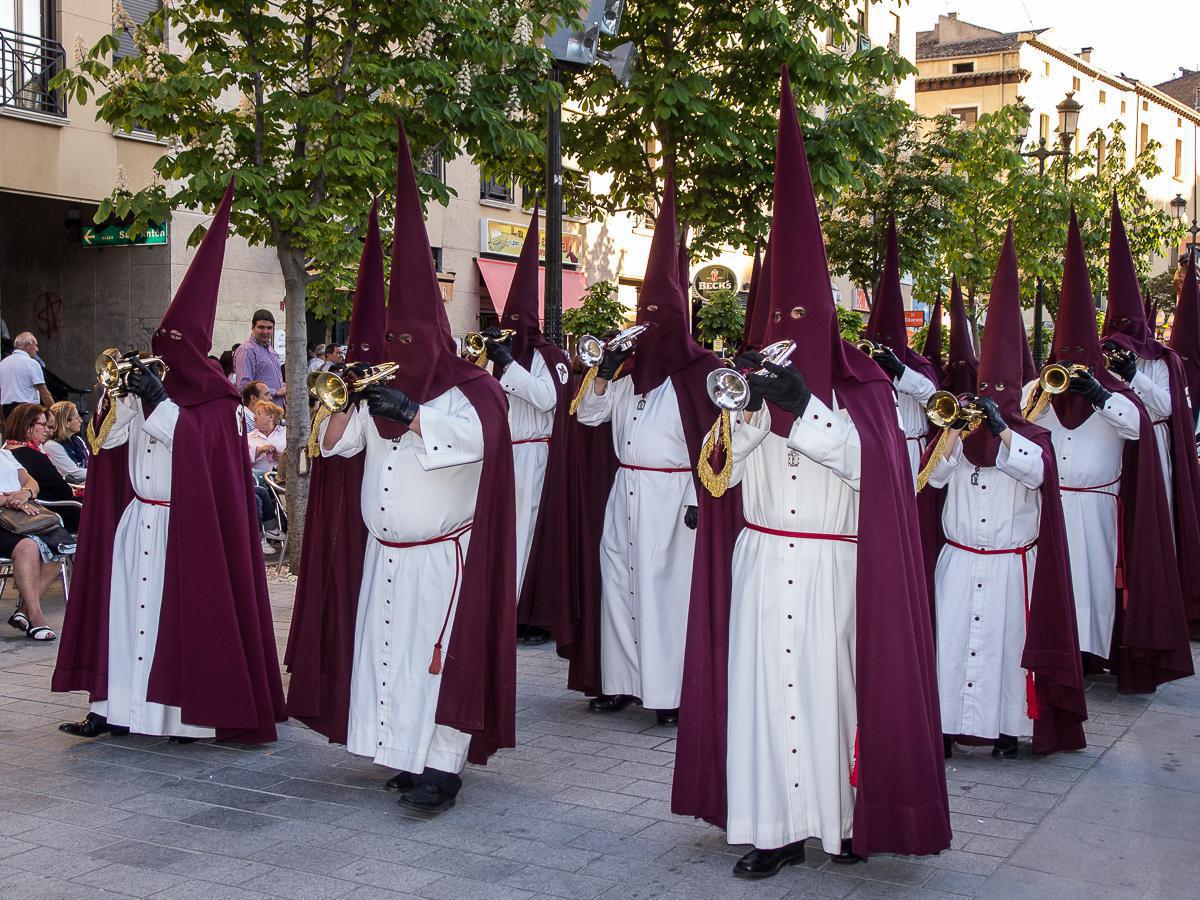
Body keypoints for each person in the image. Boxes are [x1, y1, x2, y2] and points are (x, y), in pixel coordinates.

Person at [672, 70, 951, 876]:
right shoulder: (748, 390)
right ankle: (774, 827)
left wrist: (807, 411)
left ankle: (844, 820)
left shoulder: (865, 394)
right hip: (763, 557)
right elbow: (717, 475)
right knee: (765, 696)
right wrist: (755, 409)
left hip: (835, 561)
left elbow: (882, 478)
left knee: (834, 695)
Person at [287, 127, 516, 814]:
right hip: (386, 555)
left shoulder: (469, 388)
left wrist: (413, 414)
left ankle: (441, 767)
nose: (401, 354)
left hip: (441, 558)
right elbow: (332, 447)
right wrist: (343, 391)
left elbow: (479, 440)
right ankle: (401, 752)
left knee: (434, 660)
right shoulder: (378, 389)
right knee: (388, 656)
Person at [52, 180, 286, 743]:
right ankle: (113, 707)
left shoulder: (219, 403)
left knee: (174, 621)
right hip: (139, 519)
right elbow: (106, 446)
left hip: (188, 526)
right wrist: (124, 398)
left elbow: (196, 446)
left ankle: (182, 715)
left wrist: (157, 400)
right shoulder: (148, 388)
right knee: (124, 617)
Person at [923, 227, 1086, 761]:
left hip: (1011, 564)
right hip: (961, 559)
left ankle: (1007, 729)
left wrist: (1005, 430)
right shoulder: (955, 433)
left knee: (1003, 648)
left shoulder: (1033, 437)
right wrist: (953, 438)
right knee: (951, 646)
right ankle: (944, 725)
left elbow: (1039, 475)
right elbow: (932, 484)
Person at [574, 174, 726, 727]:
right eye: (643, 315)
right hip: (627, 487)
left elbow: (713, 442)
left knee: (667, 592)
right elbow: (589, 417)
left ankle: (671, 692)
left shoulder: (701, 373)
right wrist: (602, 374)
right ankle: (622, 681)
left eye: (659, 318)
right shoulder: (625, 373)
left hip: (673, 493)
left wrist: (696, 497)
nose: (649, 328)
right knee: (619, 578)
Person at [1026, 210, 1192, 693]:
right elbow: (1024, 419)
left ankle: (1097, 650)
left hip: (1114, 489)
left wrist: (1108, 388)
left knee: (1098, 581)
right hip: (1056, 499)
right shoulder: (1043, 386)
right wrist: (1051, 390)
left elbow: (1148, 416)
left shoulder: (1157, 365)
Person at [1100, 198, 1200, 634]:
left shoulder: (1162, 360)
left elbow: (1168, 407)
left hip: (1153, 448)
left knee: (1152, 531)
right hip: (1110, 449)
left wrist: (1134, 374)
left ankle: (1157, 607)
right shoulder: (1099, 354)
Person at [481, 212, 572, 645]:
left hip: (535, 453)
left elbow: (548, 397)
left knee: (528, 533)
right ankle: (501, 605)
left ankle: (525, 610)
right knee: (503, 534)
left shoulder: (550, 356)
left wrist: (508, 365)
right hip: (505, 452)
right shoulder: (500, 357)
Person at [857, 223, 939, 480]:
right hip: (874, 452)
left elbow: (933, 399)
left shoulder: (919, 367)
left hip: (911, 451)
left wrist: (901, 371)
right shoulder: (863, 360)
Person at [0, 445, 65, 642]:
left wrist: (25, 493)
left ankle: (23, 611)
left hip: (20, 514)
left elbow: (31, 482)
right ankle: (35, 617)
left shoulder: (5, 454)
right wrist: (10, 500)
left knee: (59, 545)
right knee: (29, 547)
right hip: (5, 515)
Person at [3, 404, 80, 532]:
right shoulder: (32, 455)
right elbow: (64, 491)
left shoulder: (6, 451)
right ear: (27, 426)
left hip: (30, 509)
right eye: (43, 425)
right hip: (47, 511)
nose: (48, 431)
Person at [248, 400, 286, 552]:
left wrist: (283, 457)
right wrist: (259, 451)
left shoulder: (286, 433)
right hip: (260, 479)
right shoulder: (249, 437)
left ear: (270, 417)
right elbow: (240, 458)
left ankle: (272, 530)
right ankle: (271, 529)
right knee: (260, 480)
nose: (254, 418)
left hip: (281, 477)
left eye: (258, 414)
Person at [233, 309, 286, 406]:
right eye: (261, 327)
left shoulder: (271, 350)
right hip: (259, 414)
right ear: (253, 328)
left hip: (274, 413)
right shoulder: (246, 350)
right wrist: (275, 392)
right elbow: (244, 387)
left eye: (269, 328)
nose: (265, 332)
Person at [0, 332, 52, 416]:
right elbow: (45, 394)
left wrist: (2, 417)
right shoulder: (32, 363)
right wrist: (52, 413)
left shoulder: (2, 363)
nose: (37, 349)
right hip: (27, 411)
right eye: (35, 345)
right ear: (28, 345)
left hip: (7, 411)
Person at [45, 400, 88, 485]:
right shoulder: (51, 446)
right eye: (77, 417)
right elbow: (74, 473)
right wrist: (100, 473)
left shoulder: (78, 440)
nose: (81, 420)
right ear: (66, 422)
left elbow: (90, 464)